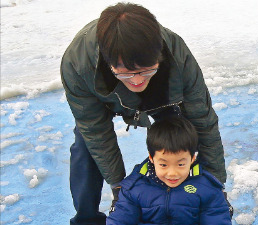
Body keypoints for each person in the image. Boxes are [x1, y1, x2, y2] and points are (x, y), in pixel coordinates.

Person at [61, 2, 230, 224]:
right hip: (104, 98)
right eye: (127, 73)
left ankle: (187, 203)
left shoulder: (177, 54)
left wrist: (216, 184)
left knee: (179, 138)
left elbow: (202, 120)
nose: (138, 80)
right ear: (108, 61)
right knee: (86, 146)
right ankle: (86, 219)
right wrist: (118, 186)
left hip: (162, 95)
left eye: (146, 70)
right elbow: (95, 130)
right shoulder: (77, 63)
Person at [107, 117, 232, 224]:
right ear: (152, 158)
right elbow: (120, 220)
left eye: (181, 164)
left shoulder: (207, 188)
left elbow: (217, 219)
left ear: (192, 158)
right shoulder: (134, 188)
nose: (172, 173)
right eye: (163, 165)